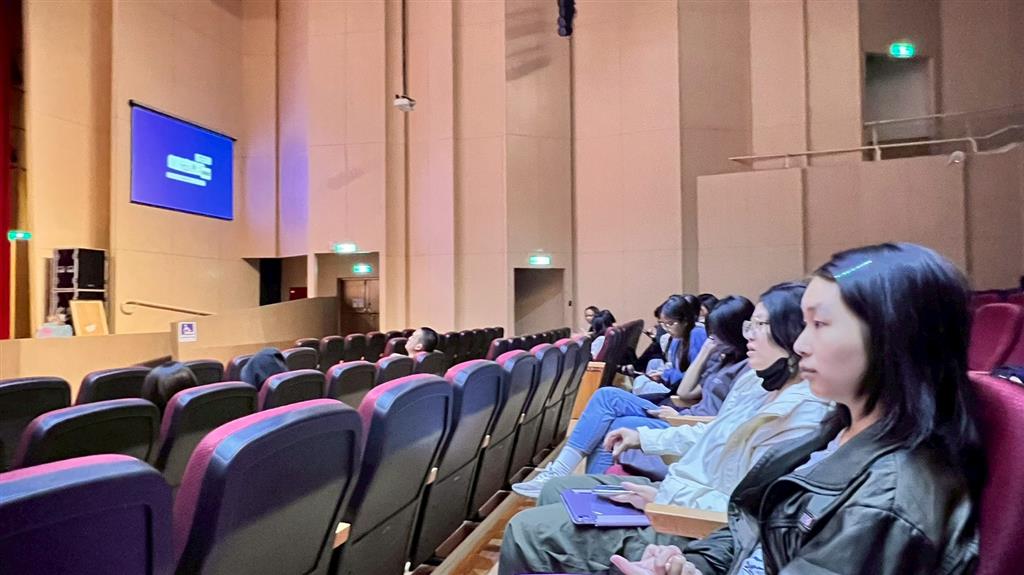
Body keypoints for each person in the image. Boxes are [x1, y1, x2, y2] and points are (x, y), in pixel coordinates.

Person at [616, 243, 983, 575]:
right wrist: (695, 566)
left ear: (892, 336)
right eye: (804, 325)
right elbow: (757, 524)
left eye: (819, 324)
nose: (801, 344)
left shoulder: (886, 501)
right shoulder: (835, 430)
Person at [498, 282, 832, 575]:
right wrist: (645, 438)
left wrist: (665, 499)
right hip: (678, 492)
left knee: (525, 529)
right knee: (556, 489)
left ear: (794, 334)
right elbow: (712, 433)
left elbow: (748, 513)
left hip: (689, 524)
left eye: (760, 325)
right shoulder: (756, 382)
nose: (750, 334)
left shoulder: (802, 414)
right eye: (750, 325)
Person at [511, 295, 757, 494]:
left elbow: (728, 426)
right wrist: (707, 352)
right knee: (608, 399)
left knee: (612, 413)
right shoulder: (723, 356)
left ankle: (582, 486)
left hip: (690, 425)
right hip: (682, 413)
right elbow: (686, 391)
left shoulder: (747, 370)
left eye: (717, 334)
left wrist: (680, 417)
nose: (712, 339)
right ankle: (578, 483)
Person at [631, 295, 706, 397]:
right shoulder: (676, 338)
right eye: (663, 324)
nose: (666, 329)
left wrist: (667, 375)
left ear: (685, 321)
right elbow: (674, 369)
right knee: (641, 381)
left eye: (670, 323)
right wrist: (663, 375)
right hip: (676, 387)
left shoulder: (698, 335)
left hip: (686, 392)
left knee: (638, 386)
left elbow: (697, 375)